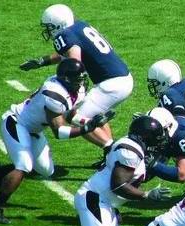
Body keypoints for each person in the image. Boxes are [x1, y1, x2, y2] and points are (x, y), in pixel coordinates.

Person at [45, 116, 172, 226]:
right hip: (95, 197)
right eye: (155, 138)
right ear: (145, 137)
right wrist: (146, 195)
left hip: (104, 200)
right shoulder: (130, 152)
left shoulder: (132, 148)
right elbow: (118, 185)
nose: (157, 143)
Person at [0, 59, 114, 224]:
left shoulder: (75, 89)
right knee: (24, 166)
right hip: (17, 123)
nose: (81, 82)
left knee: (46, 170)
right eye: (78, 78)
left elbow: (69, 114)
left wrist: (88, 122)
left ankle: (0, 172)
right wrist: (86, 129)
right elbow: (59, 132)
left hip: (34, 130)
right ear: (66, 79)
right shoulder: (54, 94)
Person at [19, 4, 134, 165]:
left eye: (50, 27)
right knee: (92, 113)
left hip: (112, 84)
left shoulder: (65, 35)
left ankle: (112, 152)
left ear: (59, 24)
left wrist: (75, 84)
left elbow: (74, 62)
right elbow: (72, 53)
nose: (48, 31)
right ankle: (110, 150)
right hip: (121, 78)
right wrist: (42, 61)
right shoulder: (79, 25)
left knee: (73, 115)